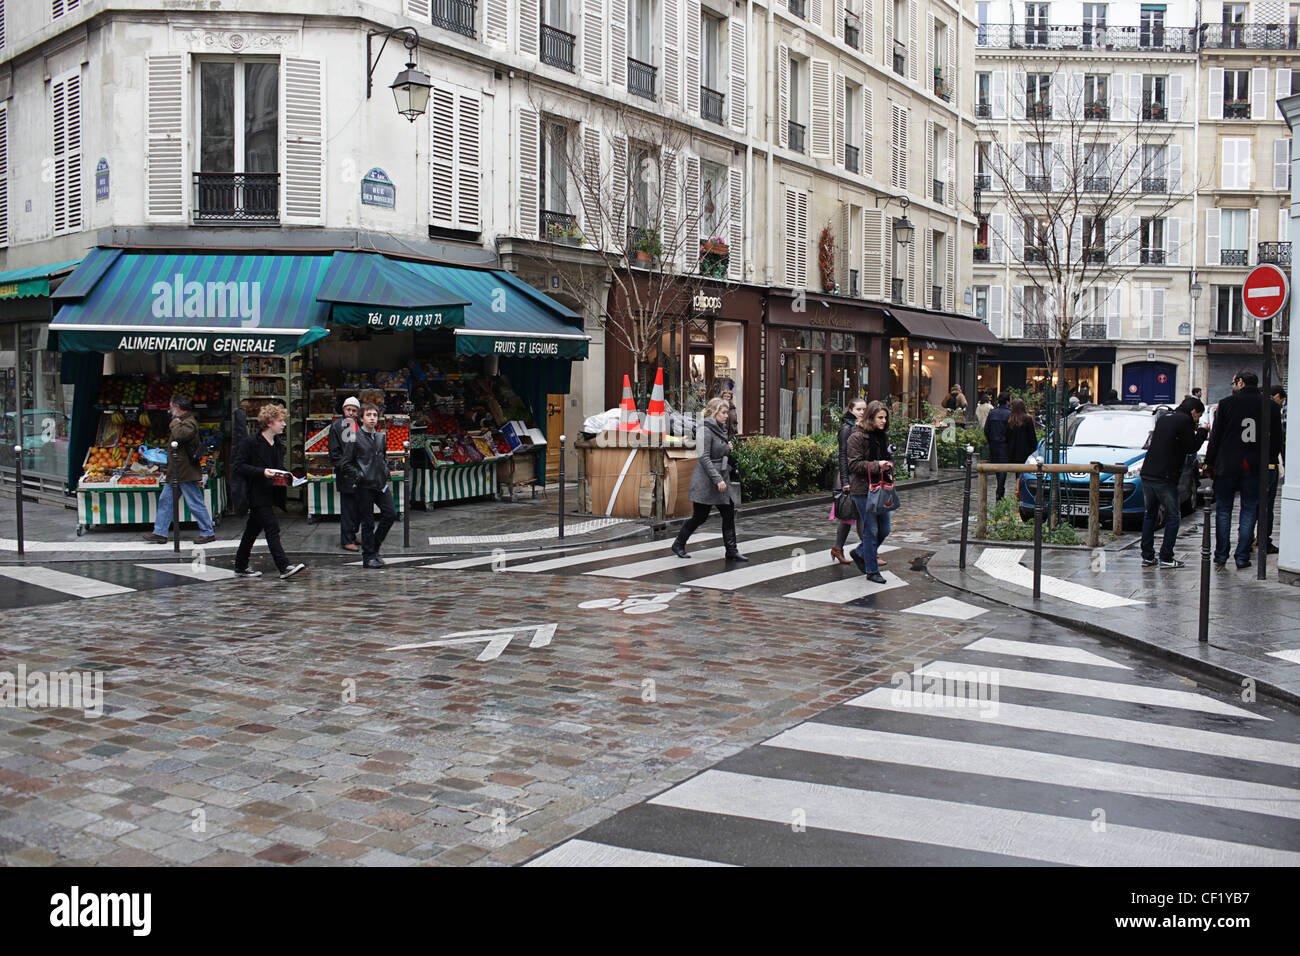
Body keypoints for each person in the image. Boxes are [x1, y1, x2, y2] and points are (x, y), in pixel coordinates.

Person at [1205, 370, 1283, 570]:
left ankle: (1221, 555)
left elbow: (1216, 437)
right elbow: (1276, 440)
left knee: (1223, 510)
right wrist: (1270, 460)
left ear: (1240, 383)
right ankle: (1241, 556)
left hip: (1228, 465)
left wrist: (1209, 462)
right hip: (1256, 466)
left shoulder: (1226, 404)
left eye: (1233, 382)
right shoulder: (1271, 406)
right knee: (1249, 510)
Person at [233, 403, 305, 580]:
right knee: (272, 527)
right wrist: (262, 472)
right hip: (255, 492)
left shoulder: (277, 444)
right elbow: (238, 466)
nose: (284, 424)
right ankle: (283, 566)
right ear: (270, 422)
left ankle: (240, 565)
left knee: (252, 530)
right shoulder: (250, 442)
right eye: (280, 420)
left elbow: (277, 468)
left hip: (269, 492)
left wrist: (287, 477)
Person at [671, 397, 746, 561]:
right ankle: (678, 543)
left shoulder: (720, 429)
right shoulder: (704, 430)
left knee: (728, 513)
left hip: (721, 478)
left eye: (727, 412)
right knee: (700, 516)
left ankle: (731, 550)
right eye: (724, 412)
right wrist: (717, 479)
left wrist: (727, 448)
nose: (727, 416)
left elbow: (718, 451)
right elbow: (704, 457)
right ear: (714, 412)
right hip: (707, 480)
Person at [1139, 397, 1208, 569]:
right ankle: (1166, 557)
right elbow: (1190, 447)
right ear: (1193, 411)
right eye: (1198, 416)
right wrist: (1202, 433)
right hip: (1165, 476)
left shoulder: (1164, 418)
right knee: (1173, 516)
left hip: (1148, 472)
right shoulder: (1184, 420)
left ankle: (1147, 556)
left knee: (1150, 514)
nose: (1197, 420)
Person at [142, 394, 216, 545]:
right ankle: (160, 532)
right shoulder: (184, 421)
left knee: (195, 502)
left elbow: (180, 435)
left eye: (170, 407)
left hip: (185, 471)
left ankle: (208, 532)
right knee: (166, 501)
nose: (169, 411)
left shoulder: (189, 422)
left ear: (177, 407)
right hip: (177, 470)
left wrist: (174, 424)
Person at [340, 403, 398, 569]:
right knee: (368, 521)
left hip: (380, 484)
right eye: (369, 415)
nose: (372, 418)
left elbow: (383, 457)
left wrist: (385, 471)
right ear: (361, 418)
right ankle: (368, 556)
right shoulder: (354, 437)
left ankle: (374, 547)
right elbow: (345, 463)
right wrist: (359, 475)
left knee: (390, 514)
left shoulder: (380, 437)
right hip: (364, 485)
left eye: (374, 415)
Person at [829, 399, 884, 568]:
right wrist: (845, 481)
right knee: (861, 516)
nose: (861, 412)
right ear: (850, 410)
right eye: (858, 409)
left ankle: (837, 548)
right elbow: (843, 457)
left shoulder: (863, 427)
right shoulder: (846, 428)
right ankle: (870, 553)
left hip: (860, 476)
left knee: (847, 516)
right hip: (850, 478)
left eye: (864, 409)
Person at [847, 400, 893, 584]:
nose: (883, 421)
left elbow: (887, 457)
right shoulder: (856, 437)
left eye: (885, 418)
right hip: (863, 489)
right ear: (871, 417)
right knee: (871, 530)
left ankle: (859, 552)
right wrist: (877, 465)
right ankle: (872, 570)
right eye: (880, 417)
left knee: (885, 529)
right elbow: (854, 464)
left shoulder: (883, 436)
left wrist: (889, 464)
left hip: (882, 488)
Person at [328, 396, 362, 552]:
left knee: (359, 508)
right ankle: (346, 540)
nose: (351, 413)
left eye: (354, 410)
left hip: (361, 473)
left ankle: (353, 533)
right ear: (343, 410)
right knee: (348, 509)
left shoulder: (360, 425)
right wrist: (348, 468)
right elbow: (334, 454)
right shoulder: (337, 426)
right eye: (348, 409)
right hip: (346, 474)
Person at [1260, 385, 1287, 555]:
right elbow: (1280, 437)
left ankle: (1252, 540)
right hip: (1269, 463)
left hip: (1258, 463)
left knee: (1253, 505)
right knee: (1265, 504)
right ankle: (1263, 540)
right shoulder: (1274, 407)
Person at [983, 393, 1013, 499]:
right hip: (1005, 445)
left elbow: (986, 430)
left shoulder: (992, 413)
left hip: (994, 445)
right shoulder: (1009, 414)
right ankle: (1000, 490)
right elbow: (1012, 432)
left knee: (997, 468)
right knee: (1003, 469)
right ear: (1007, 401)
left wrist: (991, 440)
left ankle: (1000, 490)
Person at [1005, 398, 1039, 467]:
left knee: (1017, 470)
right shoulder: (1028, 419)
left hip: (1013, 450)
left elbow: (1007, 436)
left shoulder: (1010, 420)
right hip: (1026, 450)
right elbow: (1032, 436)